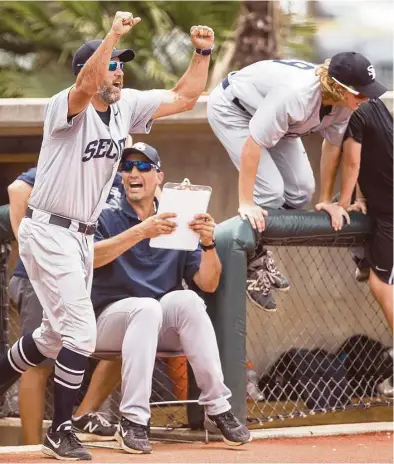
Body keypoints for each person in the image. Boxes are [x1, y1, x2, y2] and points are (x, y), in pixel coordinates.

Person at [0, 11, 215, 461]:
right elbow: (83, 87)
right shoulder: (67, 104)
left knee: (54, 337)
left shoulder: (127, 106)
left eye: (121, 63)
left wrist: (202, 53)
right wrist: (112, 35)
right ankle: (61, 431)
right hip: (53, 228)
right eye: (112, 63)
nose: (119, 70)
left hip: (79, 236)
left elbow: (183, 96)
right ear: (90, 69)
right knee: (80, 330)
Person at [91, 142, 251, 453]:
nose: (134, 172)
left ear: (159, 176)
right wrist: (141, 231)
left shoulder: (176, 220)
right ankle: (133, 420)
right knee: (147, 307)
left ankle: (218, 407)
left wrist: (207, 243)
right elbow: (90, 259)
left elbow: (207, 282)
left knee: (188, 300)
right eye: (127, 167)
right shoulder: (105, 215)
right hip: (104, 323)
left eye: (143, 167)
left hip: (154, 324)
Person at [207, 52, 386, 311]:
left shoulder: (342, 103)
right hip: (234, 109)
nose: (366, 98)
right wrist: (246, 202)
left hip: (278, 121)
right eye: (360, 93)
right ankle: (254, 261)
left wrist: (327, 200)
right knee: (269, 193)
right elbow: (253, 143)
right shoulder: (297, 96)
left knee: (302, 192)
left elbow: (333, 146)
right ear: (337, 86)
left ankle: (258, 248)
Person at [7, 167, 124, 444]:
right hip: (43, 274)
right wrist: (30, 247)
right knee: (41, 360)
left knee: (83, 346)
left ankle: (72, 423)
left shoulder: (117, 180)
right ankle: (34, 446)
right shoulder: (76, 158)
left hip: (78, 274)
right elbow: (17, 190)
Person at [318, 98, 393, 395]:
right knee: (348, 205)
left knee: (381, 284)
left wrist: (344, 203)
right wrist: (355, 199)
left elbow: (352, 161)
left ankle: (368, 264)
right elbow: (367, 161)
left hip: (390, 211)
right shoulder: (371, 107)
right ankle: (365, 260)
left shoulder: (356, 110)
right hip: (382, 204)